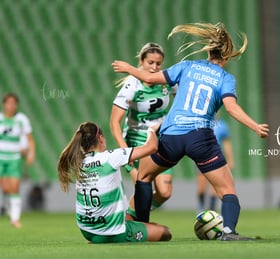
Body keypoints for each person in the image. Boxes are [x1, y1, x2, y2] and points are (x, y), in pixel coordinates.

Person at [112, 22, 269, 241]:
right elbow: (231, 108)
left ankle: (144, 228)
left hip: (172, 136)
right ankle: (229, 232)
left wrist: (128, 68)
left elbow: (148, 78)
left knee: (144, 176)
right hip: (200, 137)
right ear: (225, 57)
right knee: (227, 190)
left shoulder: (187, 67)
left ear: (207, 51)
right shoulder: (225, 79)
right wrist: (255, 126)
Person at [57, 122, 171, 243]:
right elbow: (152, 147)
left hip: (87, 230)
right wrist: (151, 130)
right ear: (100, 138)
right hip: (113, 232)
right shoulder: (110, 157)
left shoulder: (80, 162)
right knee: (165, 232)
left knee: (136, 220)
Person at [110, 43, 176, 215]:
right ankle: (131, 222)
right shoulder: (132, 85)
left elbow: (183, 96)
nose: (154, 67)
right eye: (150, 63)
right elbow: (114, 122)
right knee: (143, 190)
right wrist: (125, 151)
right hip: (137, 143)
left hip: (160, 142)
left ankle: (131, 214)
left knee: (165, 193)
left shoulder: (167, 81)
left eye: (158, 63)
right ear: (141, 61)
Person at [0, 93, 35, 228]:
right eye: (8, 103)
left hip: (14, 157)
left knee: (14, 187)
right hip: (0, 157)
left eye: (14, 103)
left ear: (17, 105)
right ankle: (8, 205)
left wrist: (31, 153)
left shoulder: (21, 119)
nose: (11, 106)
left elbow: (29, 139)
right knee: (5, 187)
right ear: (4, 104)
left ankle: (15, 219)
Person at [197, 116, 234, 212]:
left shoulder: (223, 125)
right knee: (201, 188)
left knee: (215, 186)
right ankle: (201, 207)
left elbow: (226, 143)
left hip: (216, 158)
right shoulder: (202, 123)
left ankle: (212, 210)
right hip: (201, 157)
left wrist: (230, 159)